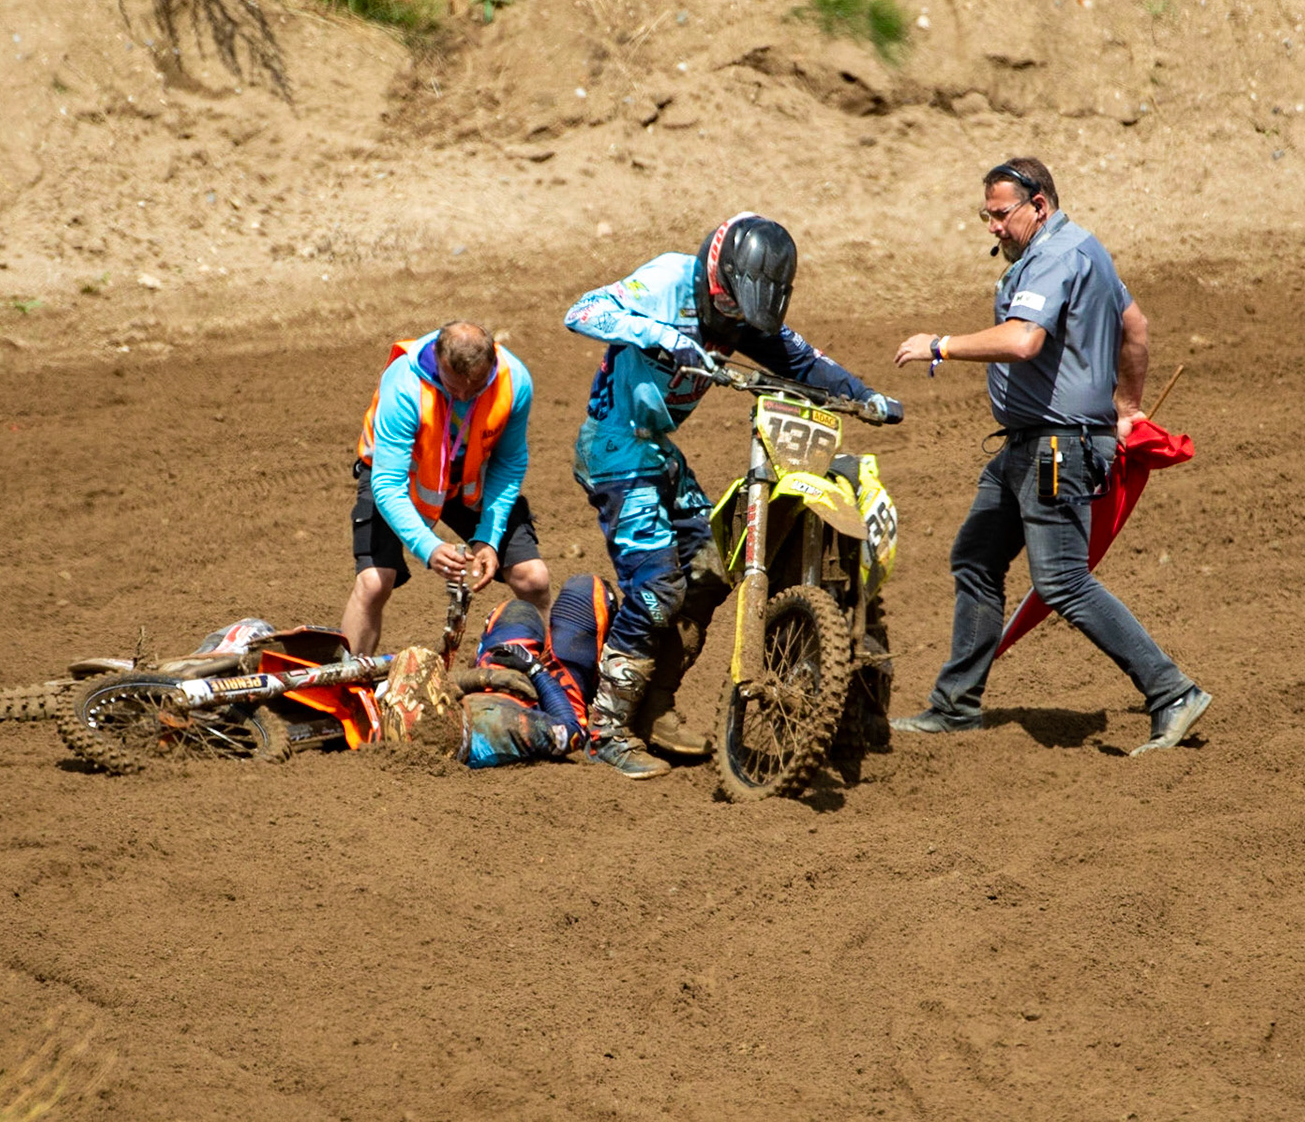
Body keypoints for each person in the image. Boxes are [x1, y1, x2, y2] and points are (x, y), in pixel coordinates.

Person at [890, 158, 1212, 756]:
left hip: (1057, 448)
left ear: (1038, 205)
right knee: (976, 558)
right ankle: (956, 706)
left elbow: (1023, 339)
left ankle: (1172, 691)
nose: (993, 227)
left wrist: (941, 345)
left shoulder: (1057, 256)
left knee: (1062, 580)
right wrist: (1126, 408)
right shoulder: (1084, 249)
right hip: (1030, 444)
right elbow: (1135, 326)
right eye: (986, 216)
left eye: (1000, 214)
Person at [564, 213, 903, 779]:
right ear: (714, 274)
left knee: (713, 562)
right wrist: (665, 337)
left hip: (657, 452)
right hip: (615, 449)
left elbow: (803, 361)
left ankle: (654, 707)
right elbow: (582, 310)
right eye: (729, 308)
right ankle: (606, 729)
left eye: (744, 315)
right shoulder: (669, 279)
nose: (733, 323)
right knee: (656, 589)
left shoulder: (743, 312)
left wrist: (865, 396)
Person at [339, 321, 551, 655]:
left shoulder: (515, 381)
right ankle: (348, 678)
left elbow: (509, 462)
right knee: (374, 583)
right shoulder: (404, 385)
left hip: (469, 478)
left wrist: (489, 537)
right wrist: (428, 547)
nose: (464, 396)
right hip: (403, 476)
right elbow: (387, 483)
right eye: (453, 387)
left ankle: (554, 673)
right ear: (438, 361)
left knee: (533, 578)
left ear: (491, 364)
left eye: (476, 387)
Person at [457, 573, 616, 768]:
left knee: (517, 611)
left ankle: (490, 663)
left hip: (491, 693)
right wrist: (535, 670)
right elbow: (571, 732)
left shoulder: (430, 709)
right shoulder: (517, 726)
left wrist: (485, 677)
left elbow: (445, 682)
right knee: (586, 591)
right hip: (545, 710)